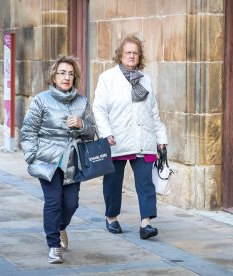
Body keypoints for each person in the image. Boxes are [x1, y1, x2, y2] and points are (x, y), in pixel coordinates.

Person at [20, 56, 96, 264]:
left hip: (73, 161)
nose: (66, 77)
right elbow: (28, 131)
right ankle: (53, 246)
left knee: (71, 204)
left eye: (71, 74)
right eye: (62, 73)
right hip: (48, 161)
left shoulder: (82, 102)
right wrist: (31, 156)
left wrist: (81, 124)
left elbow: (92, 133)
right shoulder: (41, 100)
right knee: (53, 202)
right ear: (53, 76)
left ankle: (61, 226)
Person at [93, 34, 168, 240]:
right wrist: (106, 132)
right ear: (120, 55)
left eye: (135, 52)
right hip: (116, 140)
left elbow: (153, 111)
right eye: (128, 52)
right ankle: (111, 217)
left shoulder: (146, 79)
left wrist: (161, 138)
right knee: (113, 181)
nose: (132, 56)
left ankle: (146, 223)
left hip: (144, 139)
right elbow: (99, 108)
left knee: (145, 182)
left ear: (139, 56)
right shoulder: (107, 78)